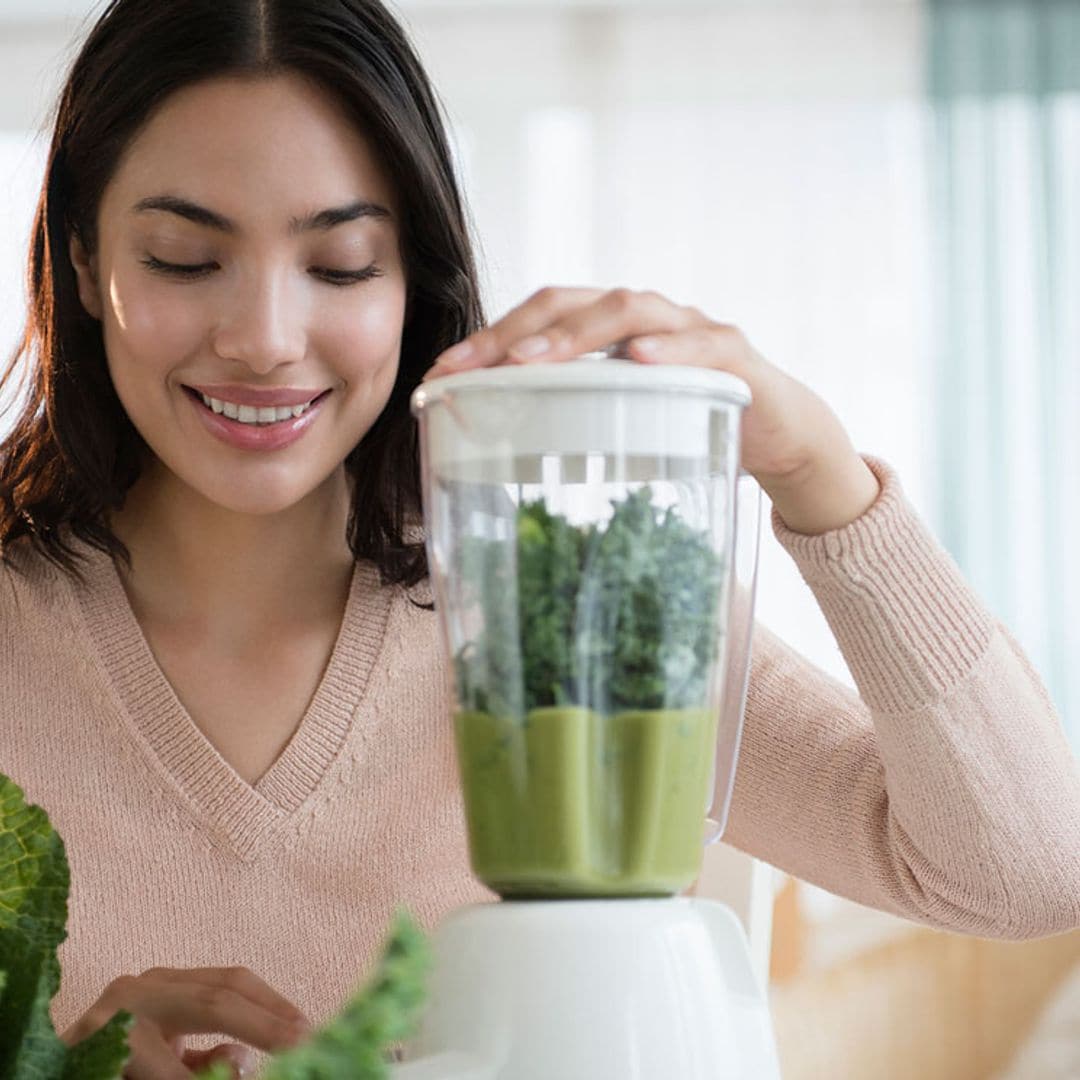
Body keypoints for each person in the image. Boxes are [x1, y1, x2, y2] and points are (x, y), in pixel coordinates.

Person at [0, 0, 1077, 1076]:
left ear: (413, 277)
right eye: (186, 259)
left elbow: (1022, 875)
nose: (266, 340)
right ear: (88, 264)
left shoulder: (554, 608)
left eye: (341, 266)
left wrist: (818, 476)